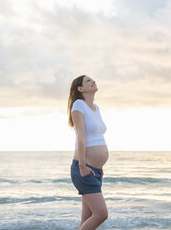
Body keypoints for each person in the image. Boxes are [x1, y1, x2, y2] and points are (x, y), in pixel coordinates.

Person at [67, 75, 109, 230]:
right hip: (84, 168)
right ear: (80, 88)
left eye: (93, 79)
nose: (93, 81)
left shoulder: (96, 108)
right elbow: (82, 136)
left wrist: (100, 167)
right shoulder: (78, 105)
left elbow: (96, 136)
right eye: (88, 81)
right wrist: (83, 166)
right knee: (101, 214)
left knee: (87, 218)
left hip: (95, 170)